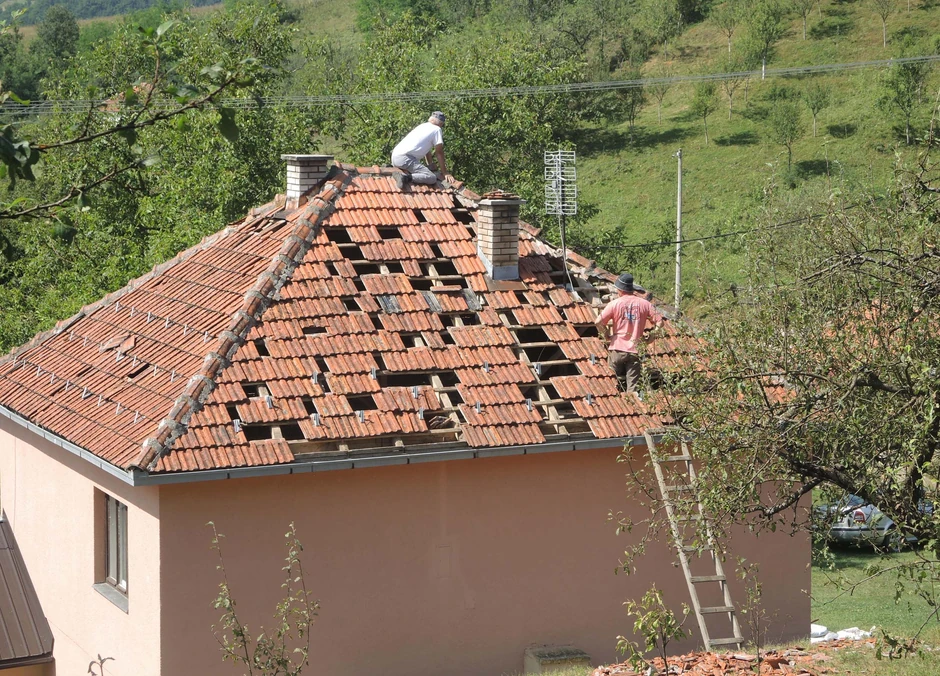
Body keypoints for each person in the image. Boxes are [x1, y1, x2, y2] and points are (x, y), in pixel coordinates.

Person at [596, 273, 664, 392]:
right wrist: (652, 336)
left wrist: (605, 334)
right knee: (633, 389)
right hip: (635, 350)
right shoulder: (644, 304)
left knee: (610, 384)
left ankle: (614, 406)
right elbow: (660, 322)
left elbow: (598, 321)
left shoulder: (615, 304)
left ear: (620, 290)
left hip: (617, 349)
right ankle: (633, 408)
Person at [391, 111, 450, 189]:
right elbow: (439, 152)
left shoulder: (423, 126)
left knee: (424, 171)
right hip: (405, 159)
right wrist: (445, 173)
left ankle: (404, 174)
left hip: (395, 157)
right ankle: (404, 178)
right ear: (441, 123)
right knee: (431, 178)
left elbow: (426, 150)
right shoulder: (437, 130)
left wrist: (430, 164)